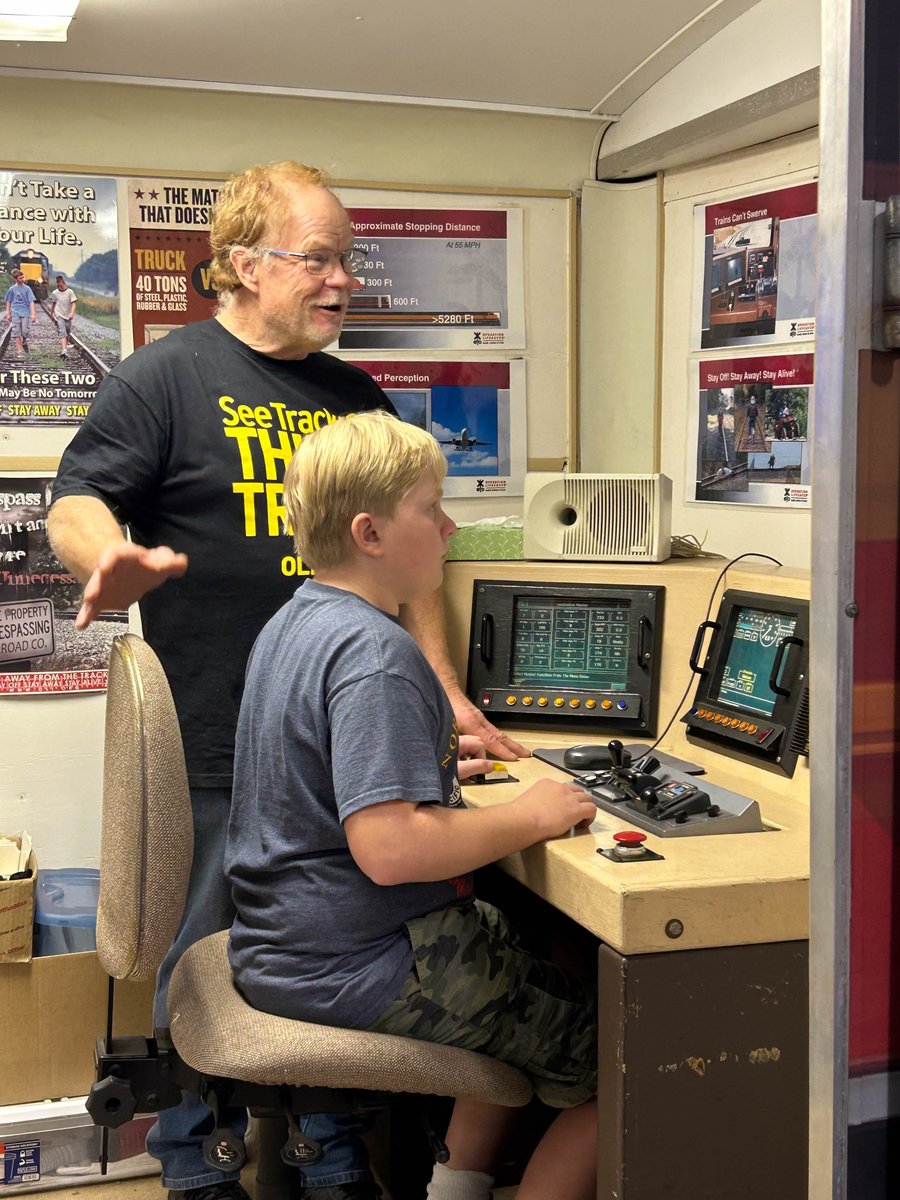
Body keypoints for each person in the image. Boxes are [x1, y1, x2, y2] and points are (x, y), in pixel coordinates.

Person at [48, 160, 526, 1200]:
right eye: (318, 259)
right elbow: (77, 499)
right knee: (208, 964)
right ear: (239, 265)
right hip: (226, 741)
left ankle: (334, 1154)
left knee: (346, 953)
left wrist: (446, 698)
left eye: (347, 260)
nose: (343, 281)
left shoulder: (356, 394)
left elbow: (412, 578)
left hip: (359, 749)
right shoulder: (164, 378)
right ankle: (196, 1171)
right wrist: (103, 558)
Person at [226, 410, 599, 1200]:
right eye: (431, 508)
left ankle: (456, 1189)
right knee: (633, 1056)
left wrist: (424, 763)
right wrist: (533, 815)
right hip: (363, 962)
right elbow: (390, 849)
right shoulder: (377, 656)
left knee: (548, 954)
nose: (450, 526)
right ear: (370, 532)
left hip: (288, 944)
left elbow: (326, 776)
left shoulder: (296, 622)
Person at [4, 269, 36, 356]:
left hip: (25, 312)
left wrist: (33, 314)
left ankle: (24, 341)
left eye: (23, 277)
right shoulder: (12, 289)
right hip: (15, 312)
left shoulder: (27, 289)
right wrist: (8, 313)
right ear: (16, 279)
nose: (23, 279)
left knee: (24, 332)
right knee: (16, 331)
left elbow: (31, 301)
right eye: (20, 278)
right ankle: (19, 351)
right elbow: (9, 301)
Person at [49, 275, 77, 358]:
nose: (59, 286)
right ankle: (64, 351)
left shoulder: (70, 292)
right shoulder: (55, 293)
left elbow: (73, 304)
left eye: (61, 285)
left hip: (68, 315)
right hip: (59, 314)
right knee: (62, 332)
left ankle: (66, 344)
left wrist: (72, 313)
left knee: (67, 331)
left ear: (64, 283)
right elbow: (53, 303)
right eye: (58, 285)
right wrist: (52, 313)